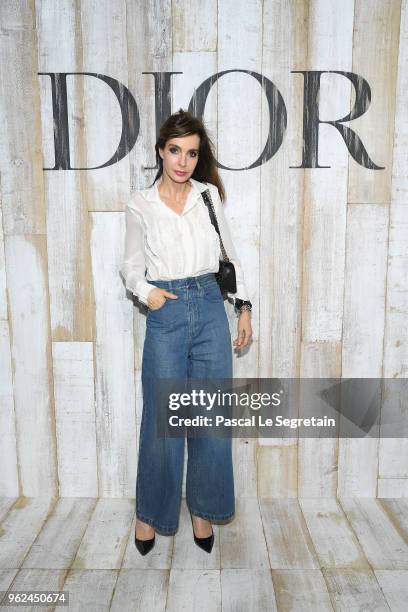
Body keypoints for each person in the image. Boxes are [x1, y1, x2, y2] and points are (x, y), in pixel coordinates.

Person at [120, 109, 253, 556]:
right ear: (160, 150)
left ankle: (203, 509)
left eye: (192, 153)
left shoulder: (209, 196)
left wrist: (244, 309)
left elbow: (228, 258)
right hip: (168, 310)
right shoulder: (141, 203)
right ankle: (150, 515)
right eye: (175, 150)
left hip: (211, 307)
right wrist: (146, 292)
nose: (183, 160)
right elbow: (129, 264)